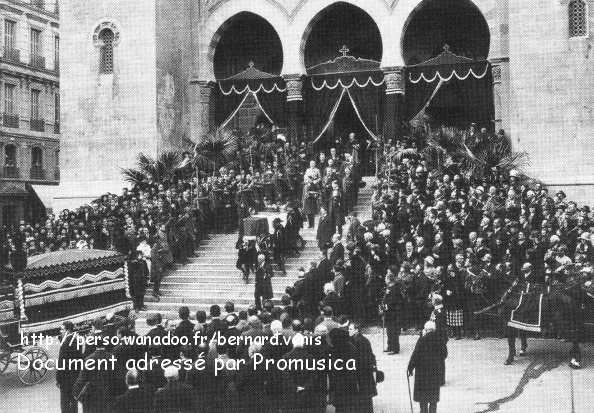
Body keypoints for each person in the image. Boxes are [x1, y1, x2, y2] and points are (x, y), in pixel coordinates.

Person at [407, 321, 448, 413]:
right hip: (435, 372)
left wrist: (410, 368)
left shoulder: (422, 340)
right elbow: (444, 354)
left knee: (423, 399)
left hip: (422, 374)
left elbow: (415, 355)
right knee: (433, 400)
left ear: (426, 330)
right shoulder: (440, 340)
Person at [348, 321, 378, 413]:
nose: (348, 331)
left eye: (350, 329)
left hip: (361, 375)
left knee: (361, 401)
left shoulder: (355, 342)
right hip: (366, 375)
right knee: (367, 400)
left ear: (356, 330)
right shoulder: (363, 340)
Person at [56, 321, 83, 413]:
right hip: (75, 377)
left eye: (62, 329)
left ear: (67, 330)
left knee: (65, 404)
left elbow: (61, 363)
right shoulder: (77, 340)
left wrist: (58, 379)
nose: (61, 331)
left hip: (65, 379)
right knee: (73, 402)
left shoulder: (65, 344)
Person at [382, 269, 403, 354]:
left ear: (389, 279)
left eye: (386, 278)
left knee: (393, 331)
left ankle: (395, 348)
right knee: (389, 331)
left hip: (394, 313)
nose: (385, 280)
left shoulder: (394, 288)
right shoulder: (389, 287)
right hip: (389, 313)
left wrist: (385, 307)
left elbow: (393, 301)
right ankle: (390, 346)